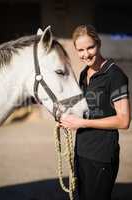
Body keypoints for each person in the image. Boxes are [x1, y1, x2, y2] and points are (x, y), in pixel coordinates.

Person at [60, 25, 131, 200]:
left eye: (90, 47)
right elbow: (83, 106)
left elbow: (124, 120)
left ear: (98, 44)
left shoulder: (115, 75)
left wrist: (82, 123)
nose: (86, 54)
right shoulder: (84, 73)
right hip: (81, 151)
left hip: (102, 156)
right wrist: (64, 116)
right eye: (80, 50)